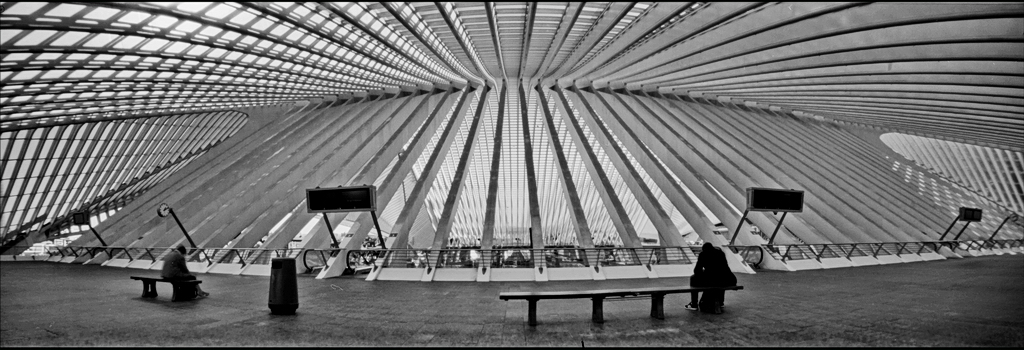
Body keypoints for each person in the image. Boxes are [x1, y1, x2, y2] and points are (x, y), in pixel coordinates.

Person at [685, 243, 736, 313]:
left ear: (704, 249)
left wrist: (704, 271)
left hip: (712, 280)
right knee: (720, 278)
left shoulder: (703, 254)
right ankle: (721, 302)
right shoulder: (721, 253)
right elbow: (723, 268)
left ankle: (694, 304)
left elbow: (697, 270)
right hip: (728, 279)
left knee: (693, 279)